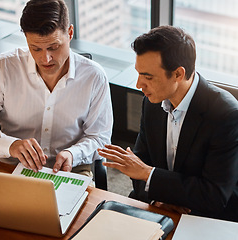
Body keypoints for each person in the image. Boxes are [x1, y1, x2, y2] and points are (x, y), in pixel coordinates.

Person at [98, 25, 238, 222]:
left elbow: (213, 195)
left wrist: (149, 174)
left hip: (206, 217)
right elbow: (139, 163)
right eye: (138, 73)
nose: (139, 84)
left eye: (148, 77)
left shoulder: (225, 115)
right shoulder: (152, 101)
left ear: (178, 74)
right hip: (158, 204)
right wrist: (157, 200)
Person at [0, 0, 113, 177]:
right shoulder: (1, 68)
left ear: (70, 33)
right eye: (35, 48)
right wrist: (9, 145)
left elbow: (100, 138)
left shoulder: (94, 77)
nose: (46, 59)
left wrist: (73, 154)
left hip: (70, 171)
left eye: (54, 47)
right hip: (11, 169)